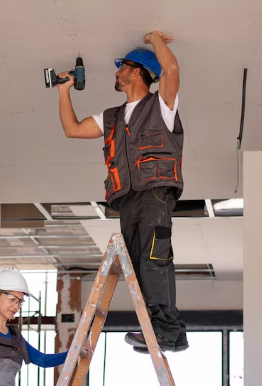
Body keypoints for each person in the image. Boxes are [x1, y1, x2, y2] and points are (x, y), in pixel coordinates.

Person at [56, 31, 188, 353]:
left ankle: (166, 329)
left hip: (155, 192)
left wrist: (156, 39)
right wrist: (64, 92)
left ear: (138, 71)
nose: (116, 73)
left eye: (122, 67)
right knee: (138, 268)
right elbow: (72, 130)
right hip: (126, 199)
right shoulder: (111, 118)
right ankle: (165, 330)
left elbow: (170, 71)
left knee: (154, 259)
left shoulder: (162, 105)